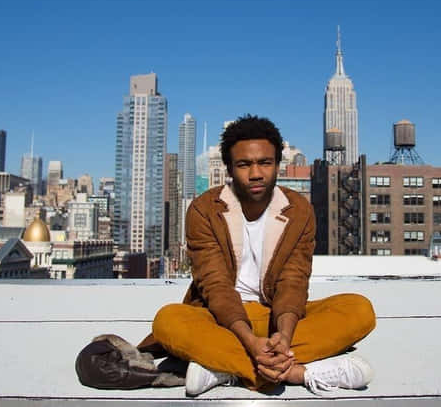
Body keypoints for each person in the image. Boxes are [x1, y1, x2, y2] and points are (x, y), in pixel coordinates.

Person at [139, 115, 376, 396]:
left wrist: (284, 336)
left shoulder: (298, 209)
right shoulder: (204, 209)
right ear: (229, 168)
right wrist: (251, 342)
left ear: (277, 164)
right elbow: (215, 287)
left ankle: (224, 366)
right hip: (221, 318)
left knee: (359, 310)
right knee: (168, 320)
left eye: (264, 162)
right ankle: (299, 372)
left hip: (278, 315)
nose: (255, 173)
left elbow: (294, 281)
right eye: (244, 164)